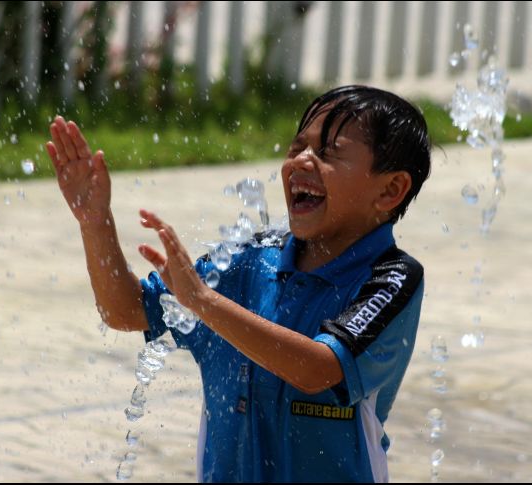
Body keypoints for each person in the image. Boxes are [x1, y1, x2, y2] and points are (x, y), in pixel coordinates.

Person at [45, 85, 431, 483]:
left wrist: (203, 302)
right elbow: (125, 310)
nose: (300, 161)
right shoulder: (249, 263)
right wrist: (95, 220)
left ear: (389, 190)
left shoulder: (390, 278)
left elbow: (317, 369)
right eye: (297, 147)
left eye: (328, 152)